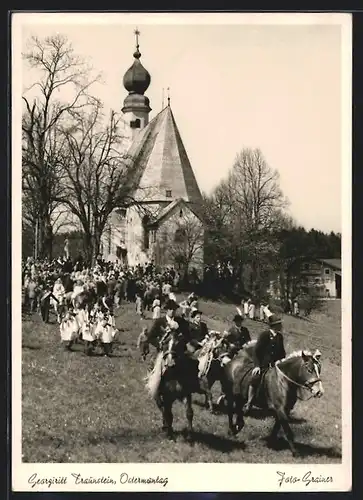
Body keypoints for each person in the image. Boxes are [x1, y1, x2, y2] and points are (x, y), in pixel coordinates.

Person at [242, 314, 286, 414]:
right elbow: (256, 352)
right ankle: (249, 403)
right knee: (255, 378)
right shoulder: (264, 335)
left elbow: (282, 353)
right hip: (263, 365)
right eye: (279, 324)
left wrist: (280, 361)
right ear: (274, 326)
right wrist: (257, 366)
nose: (281, 326)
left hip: (275, 366)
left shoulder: (280, 337)